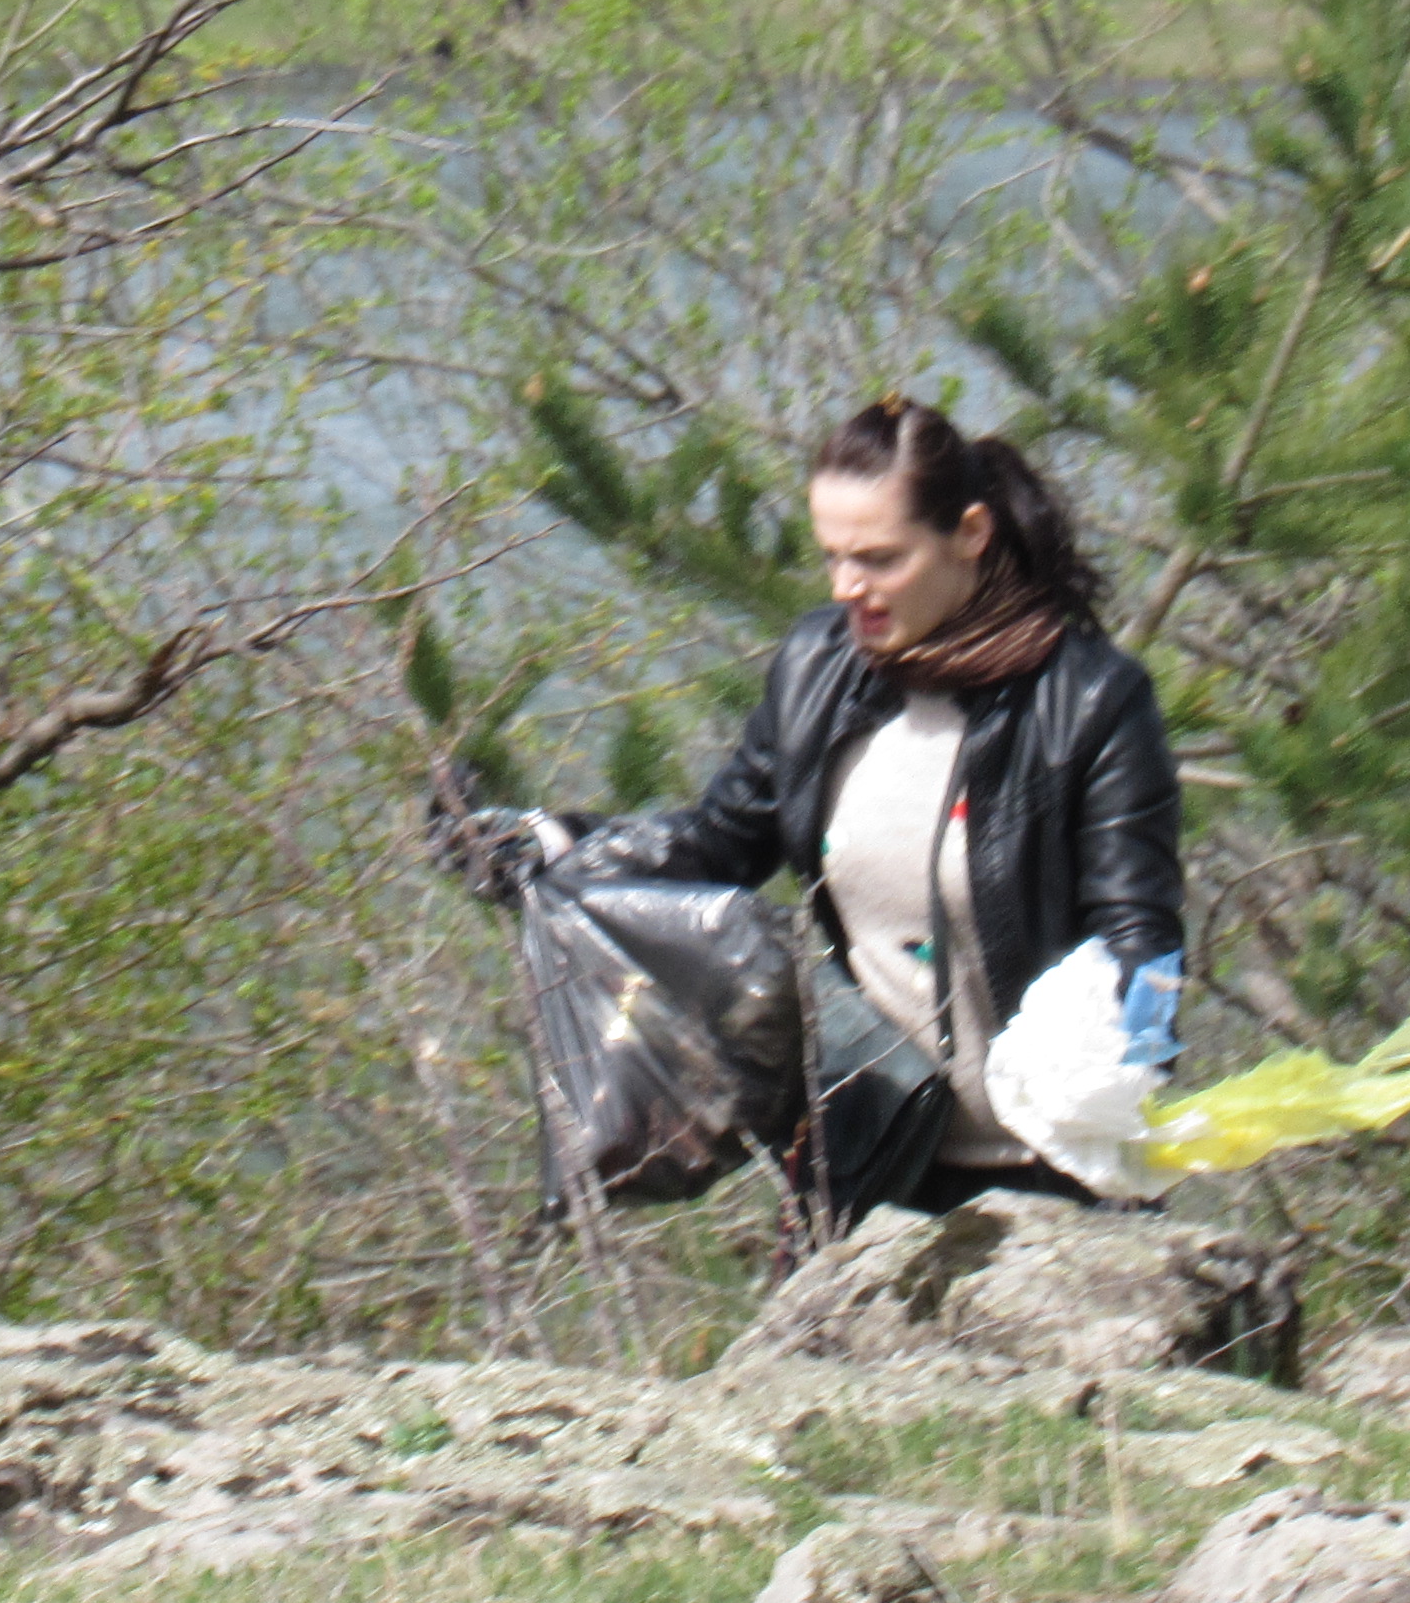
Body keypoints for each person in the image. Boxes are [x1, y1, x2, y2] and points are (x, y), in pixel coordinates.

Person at [498, 396, 1186, 1222]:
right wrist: (557, 844)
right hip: (873, 1160)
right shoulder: (817, 671)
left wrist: (1126, 1072)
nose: (847, 587)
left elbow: (1142, 939)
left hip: (1058, 1170)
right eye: (833, 557)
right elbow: (720, 842)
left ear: (970, 533)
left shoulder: (1090, 702)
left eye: (879, 559)